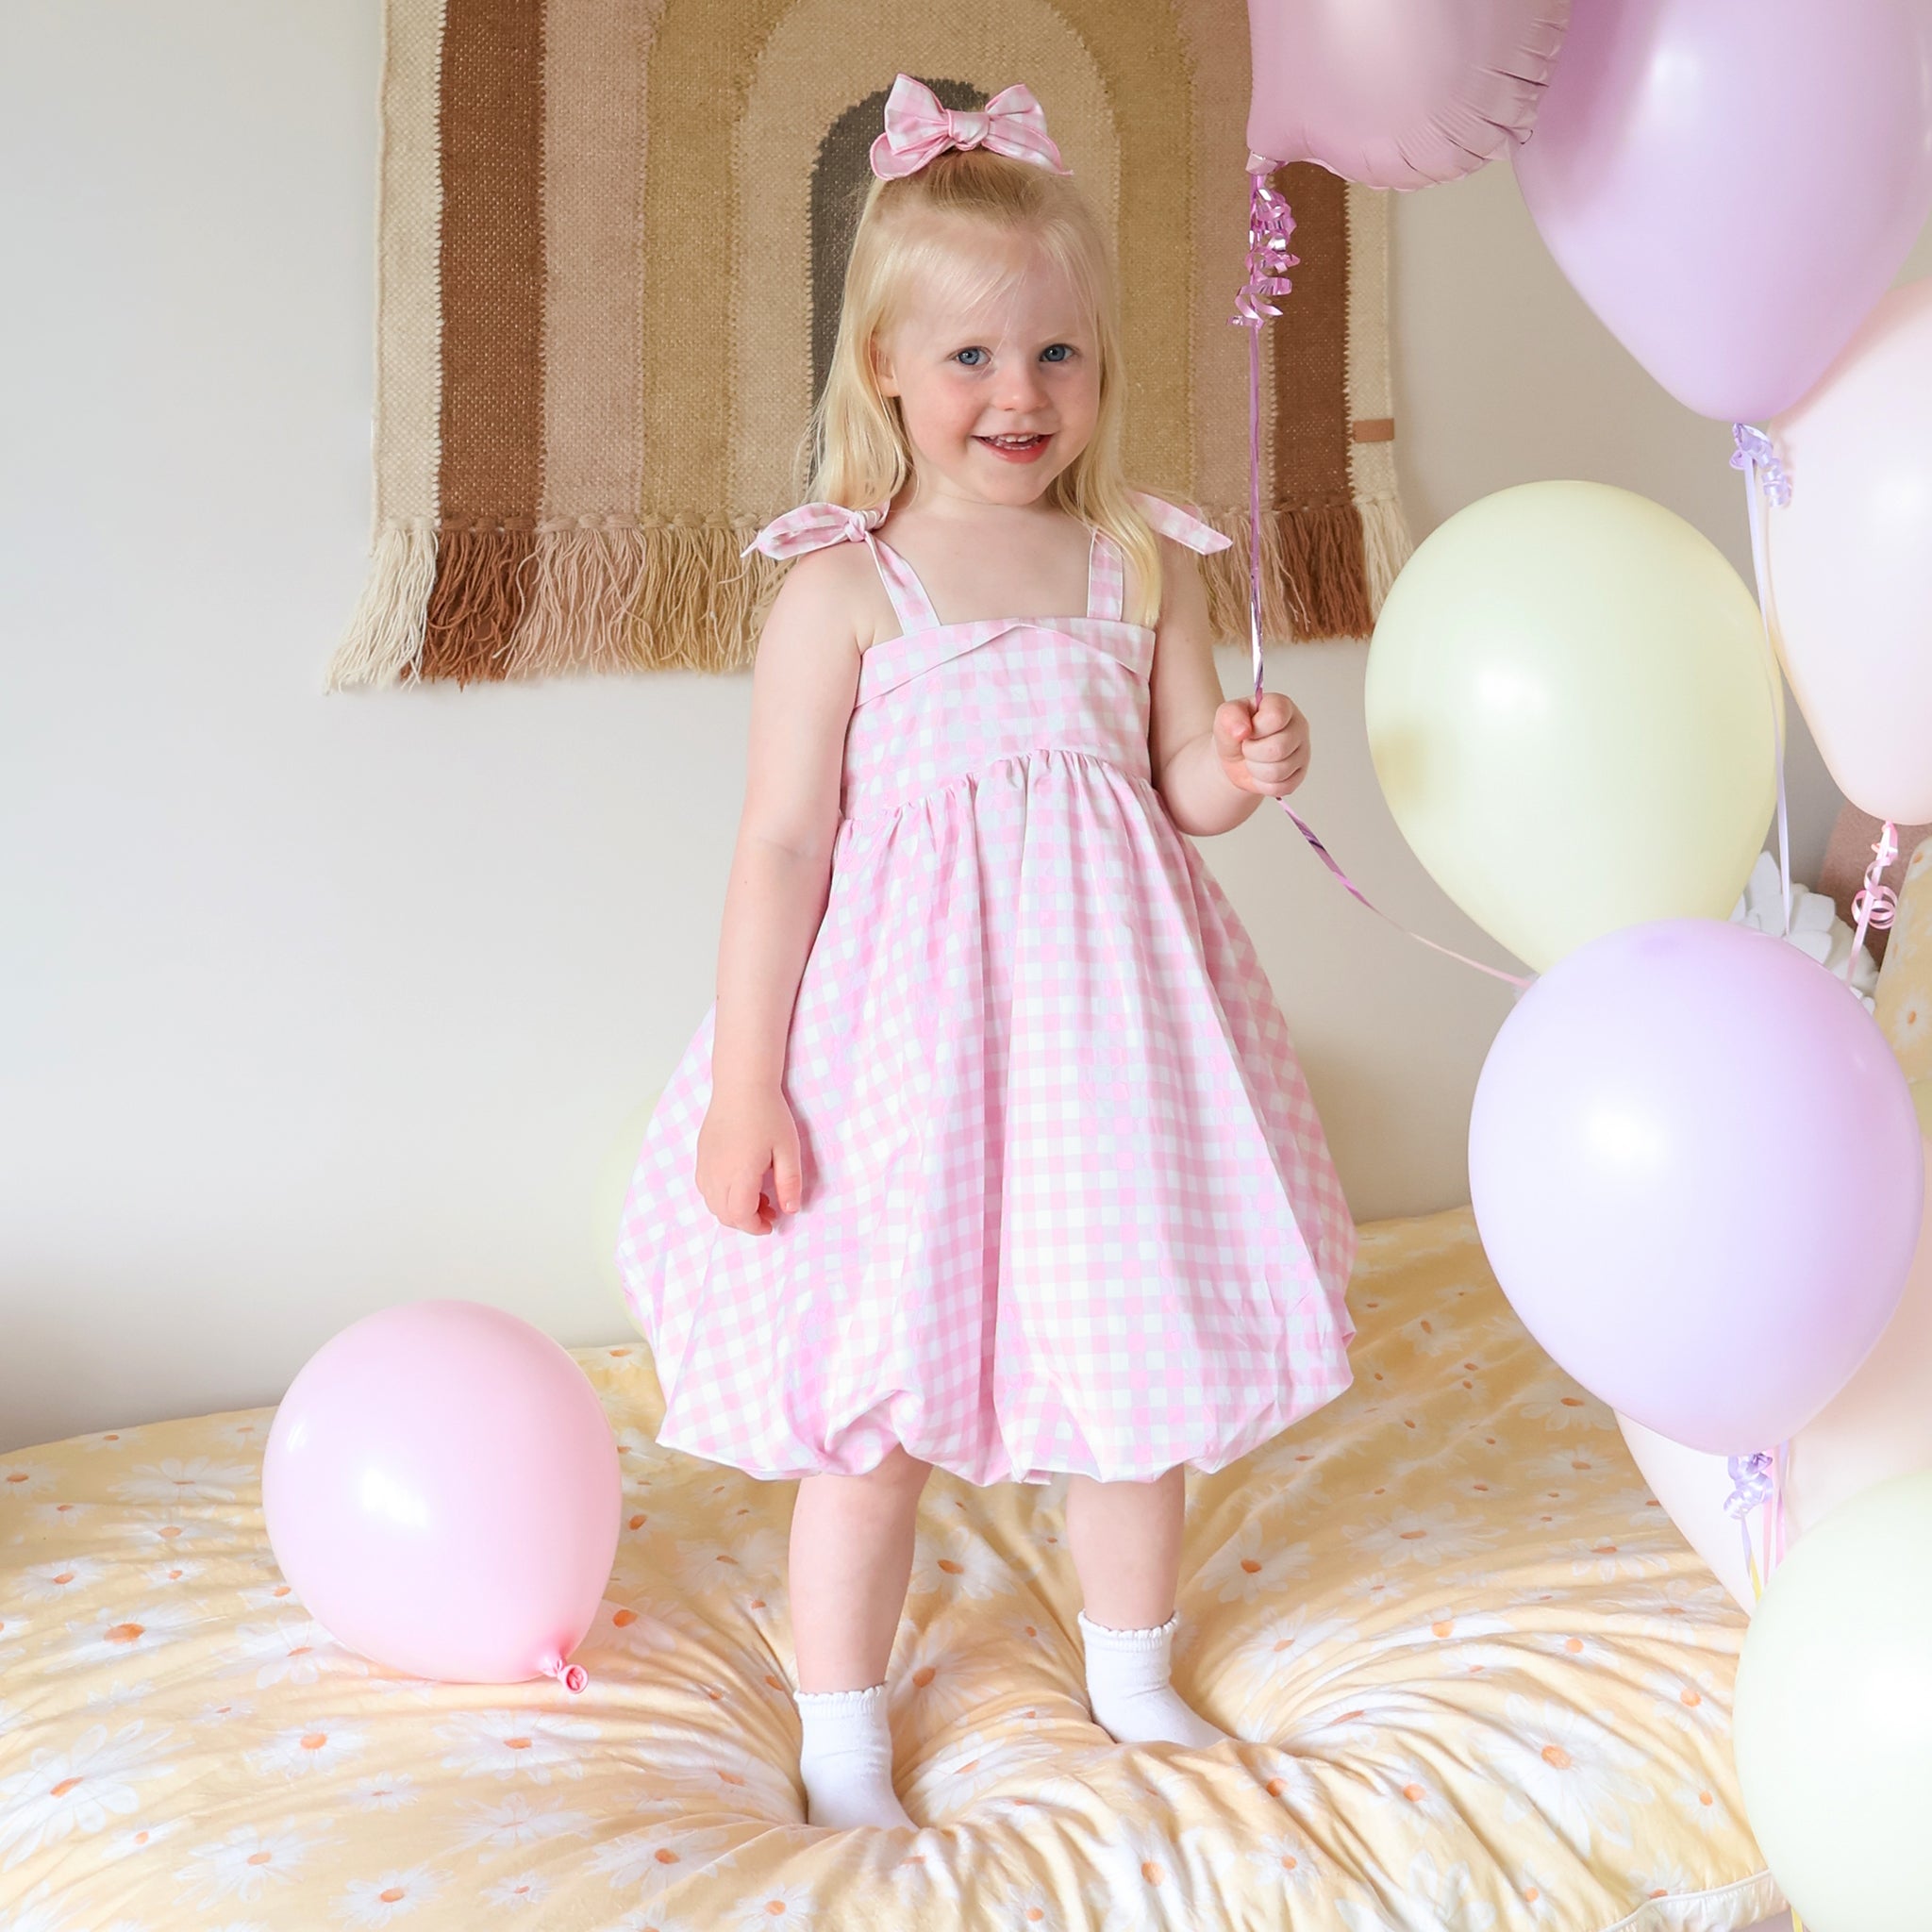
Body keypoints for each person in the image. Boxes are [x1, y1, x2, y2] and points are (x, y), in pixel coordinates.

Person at [615, 73, 1357, 1831]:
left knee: (1132, 1368)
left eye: (1056, 360)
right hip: (901, 1059)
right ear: (883, 368)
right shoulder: (847, 586)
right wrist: (745, 1086)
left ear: (1100, 370)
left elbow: (1173, 784)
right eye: (969, 361)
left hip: (1110, 1044)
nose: (1017, 398)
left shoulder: (1133, 566)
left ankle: (1132, 1666)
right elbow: (781, 844)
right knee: (872, 1401)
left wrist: (1241, 767)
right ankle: (849, 1736)